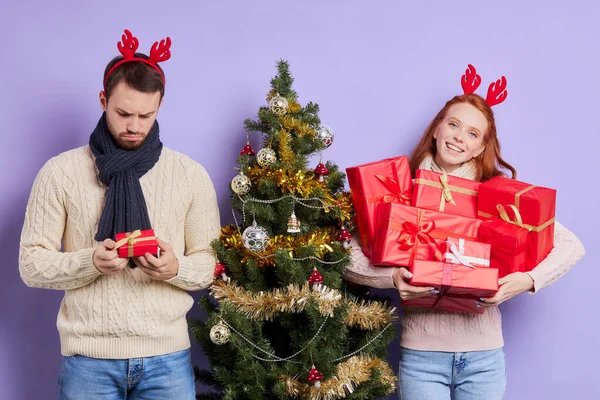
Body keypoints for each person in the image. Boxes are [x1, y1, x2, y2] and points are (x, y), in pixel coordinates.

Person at [343, 64, 585, 400]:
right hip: (421, 356)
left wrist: (527, 281)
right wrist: (392, 278)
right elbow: (346, 255)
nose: (459, 136)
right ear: (436, 130)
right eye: (453, 125)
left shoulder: (495, 197)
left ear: (480, 147)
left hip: (484, 356)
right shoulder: (400, 190)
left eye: (472, 133)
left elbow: (570, 245)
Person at [19, 29, 220, 400]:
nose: (134, 126)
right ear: (102, 100)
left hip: (167, 357)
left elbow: (211, 264)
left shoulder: (189, 175)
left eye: (146, 115)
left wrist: (176, 268)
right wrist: (90, 262)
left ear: (161, 105)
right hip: (88, 360)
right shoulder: (60, 173)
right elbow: (30, 265)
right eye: (123, 112)